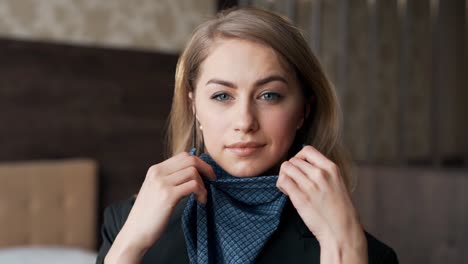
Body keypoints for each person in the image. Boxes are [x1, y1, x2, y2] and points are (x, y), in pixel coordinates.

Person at [96, 7, 398, 264]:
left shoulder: (367, 253)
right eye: (222, 96)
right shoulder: (124, 223)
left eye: (269, 95)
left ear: (303, 110)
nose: (244, 122)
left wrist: (345, 247)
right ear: (194, 107)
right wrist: (128, 246)